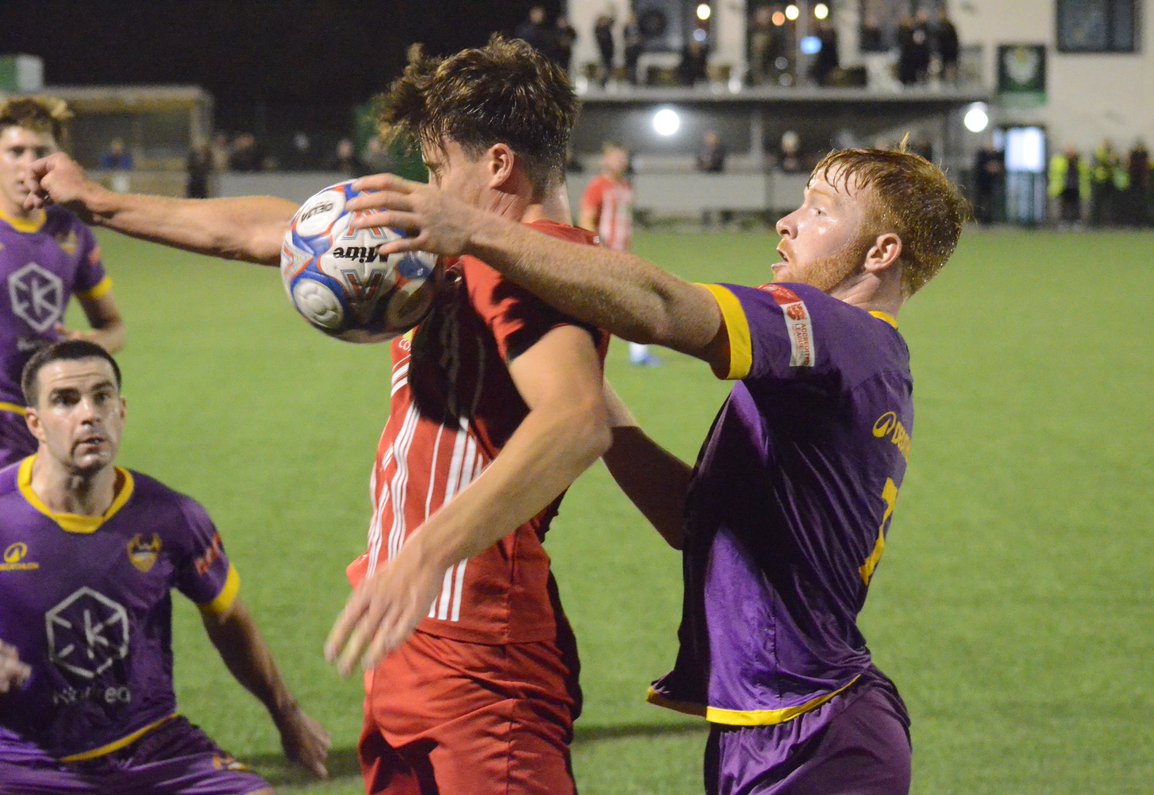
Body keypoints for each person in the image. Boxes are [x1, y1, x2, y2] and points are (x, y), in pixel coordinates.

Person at [25, 36, 610, 794]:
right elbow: (273, 230)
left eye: (435, 171)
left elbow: (577, 420)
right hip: (417, 634)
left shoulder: (526, 266)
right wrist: (102, 203)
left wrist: (426, 552)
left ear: (498, 165)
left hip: (477, 651)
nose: (423, 188)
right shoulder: (468, 252)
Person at [319, 142, 971, 794]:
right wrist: (575, 382)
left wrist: (482, 234)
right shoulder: (855, 362)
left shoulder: (832, 332)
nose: (788, 220)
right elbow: (693, 518)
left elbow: (664, 306)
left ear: (881, 253)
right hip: (776, 725)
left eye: (821, 208)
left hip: (822, 741)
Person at [0, 339, 330, 792]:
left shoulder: (171, 515)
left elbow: (228, 616)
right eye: (65, 401)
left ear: (122, 411)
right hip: (23, 759)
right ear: (34, 424)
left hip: (151, 747)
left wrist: (287, 714)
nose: (88, 414)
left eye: (102, 397)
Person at [0, 96, 126, 469]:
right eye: (15, 151)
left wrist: (91, 343)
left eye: (41, 151)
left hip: (48, 424)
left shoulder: (69, 231)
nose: (29, 164)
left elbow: (114, 327)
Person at [580, 143, 659, 368]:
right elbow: (586, 219)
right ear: (605, 161)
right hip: (604, 256)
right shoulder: (598, 187)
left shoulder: (625, 186)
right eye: (615, 158)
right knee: (627, 303)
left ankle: (638, 353)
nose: (620, 162)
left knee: (628, 302)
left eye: (622, 158)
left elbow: (625, 223)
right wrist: (599, 251)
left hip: (621, 255)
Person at [1048, 145, 1089, 229]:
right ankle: (1064, 222)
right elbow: (1055, 172)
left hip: (1076, 186)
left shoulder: (1078, 161)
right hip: (1064, 186)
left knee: (1076, 205)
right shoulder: (1060, 160)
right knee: (1064, 205)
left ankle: (1076, 222)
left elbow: (1084, 172)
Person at [593, 13, 616, 86]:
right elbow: (602, 40)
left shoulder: (607, 28)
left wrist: (612, 11)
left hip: (609, 52)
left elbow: (613, 21)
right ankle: (600, 82)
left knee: (608, 67)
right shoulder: (598, 29)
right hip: (602, 52)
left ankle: (606, 81)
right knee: (603, 67)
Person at [623, 16, 643, 85]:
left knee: (635, 65)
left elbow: (641, 38)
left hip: (636, 49)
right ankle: (629, 79)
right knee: (629, 65)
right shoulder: (626, 28)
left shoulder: (639, 28)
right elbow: (625, 38)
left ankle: (634, 79)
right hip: (629, 50)